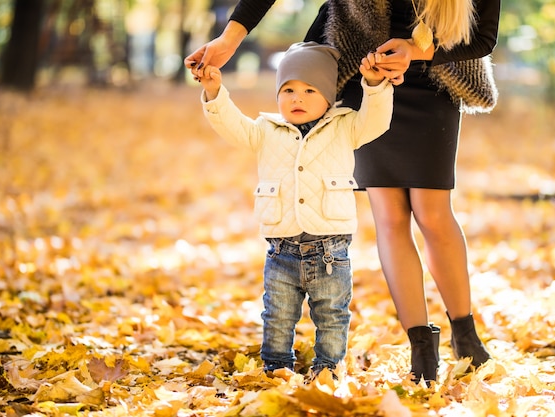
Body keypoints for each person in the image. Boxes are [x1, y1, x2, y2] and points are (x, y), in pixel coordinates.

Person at [184, 0, 500, 384]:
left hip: (435, 75)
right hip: (363, 71)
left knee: (432, 213)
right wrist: (229, 39)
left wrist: (416, 52)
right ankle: (421, 345)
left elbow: (483, 37)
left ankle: (465, 334)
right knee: (390, 216)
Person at [192, 41, 394, 377]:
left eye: (309, 90)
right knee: (277, 313)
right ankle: (276, 366)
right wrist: (214, 92)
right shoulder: (266, 131)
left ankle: (328, 367)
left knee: (331, 313)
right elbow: (231, 126)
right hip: (281, 249)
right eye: (288, 90)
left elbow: (377, 120)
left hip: (330, 249)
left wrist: (373, 86)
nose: (296, 98)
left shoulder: (345, 127)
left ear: (328, 97)